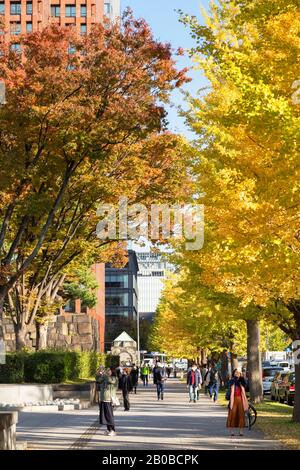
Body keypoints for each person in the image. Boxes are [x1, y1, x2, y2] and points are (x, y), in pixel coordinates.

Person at [96, 367, 118, 436]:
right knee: (105, 415)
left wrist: (104, 375)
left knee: (109, 415)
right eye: (107, 370)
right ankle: (108, 429)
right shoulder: (105, 377)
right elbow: (98, 380)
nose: (107, 371)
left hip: (109, 399)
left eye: (109, 370)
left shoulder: (114, 378)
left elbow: (110, 381)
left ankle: (113, 430)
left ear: (112, 371)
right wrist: (98, 373)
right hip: (103, 399)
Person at [227, 369, 249, 436]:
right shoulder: (232, 381)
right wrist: (233, 381)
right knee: (232, 415)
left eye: (239, 373)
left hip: (241, 399)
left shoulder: (242, 381)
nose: (237, 374)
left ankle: (241, 431)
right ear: (234, 373)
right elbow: (228, 387)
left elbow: (247, 387)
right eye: (236, 373)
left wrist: (242, 379)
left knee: (241, 415)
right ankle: (232, 431)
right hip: (233, 399)